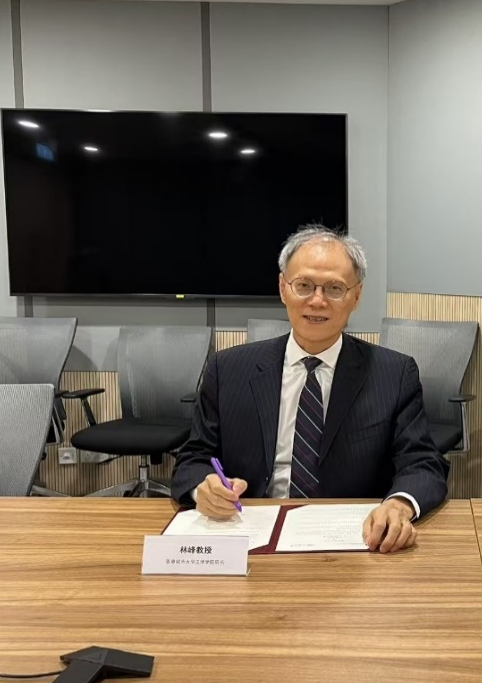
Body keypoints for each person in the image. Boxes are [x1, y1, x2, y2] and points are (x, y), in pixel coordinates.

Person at [172, 225, 448, 552]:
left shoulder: (394, 373)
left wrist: (398, 505)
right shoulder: (228, 369)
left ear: (356, 295)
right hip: (249, 533)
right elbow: (193, 458)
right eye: (303, 285)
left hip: (353, 540)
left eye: (334, 288)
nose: (317, 301)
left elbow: (422, 464)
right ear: (283, 288)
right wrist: (203, 488)